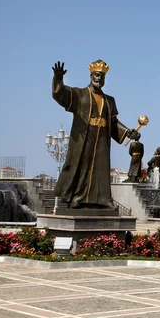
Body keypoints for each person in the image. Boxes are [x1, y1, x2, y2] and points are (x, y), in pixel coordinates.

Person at [51, 60, 141, 209]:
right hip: (83, 138)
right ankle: (76, 197)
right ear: (91, 76)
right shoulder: (79, 94)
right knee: (81, 166)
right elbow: (60, 95)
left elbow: (113, 122)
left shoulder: (109, 100)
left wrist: (127, 132)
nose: (99, 78)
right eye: (97, 75)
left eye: (102, 76)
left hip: (101, 139)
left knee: (101, 169)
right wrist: (58, 79)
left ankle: (104, 199)